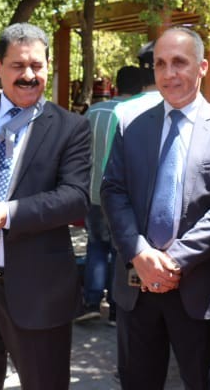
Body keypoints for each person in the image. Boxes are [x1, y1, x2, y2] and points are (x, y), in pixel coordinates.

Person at [0, 23, 90, 389]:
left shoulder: (71, 127)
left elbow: (75, 197)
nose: (28, 75)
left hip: (38, 289)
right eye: (17, 66)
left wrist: (7, 213)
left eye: (37, 66)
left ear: (48, 67)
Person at [101, 27, 210, 389]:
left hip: (197, 288)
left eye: (179, 62)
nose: (168, 73)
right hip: (137, 286)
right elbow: (113, 190)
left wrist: (173, 261)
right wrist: (139, 253)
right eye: (160, 64)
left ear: (202, 67)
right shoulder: (131, 125)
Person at [76, 65, 142, 324]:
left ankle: (92, 301)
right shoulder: (140, 112)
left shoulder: (94, 112)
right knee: (120, 250)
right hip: (124, 199)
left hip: (93, 193)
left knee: (96, 245)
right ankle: (115, 309)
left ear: (116, 85)